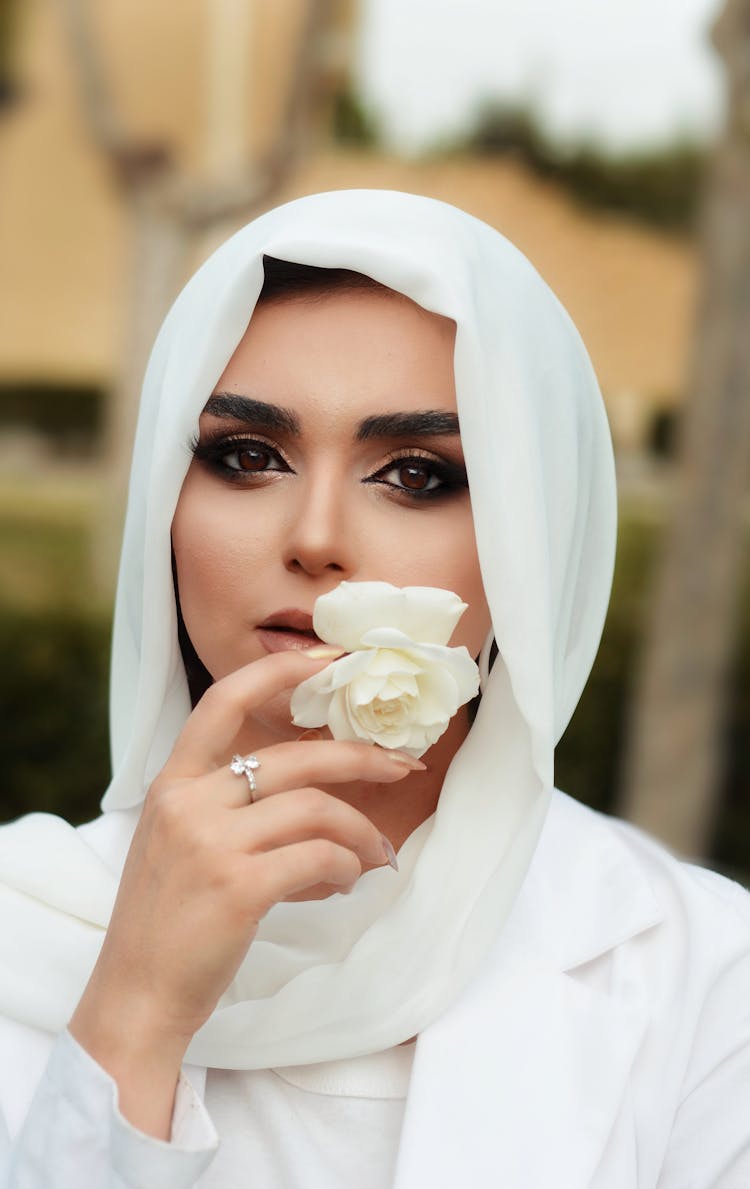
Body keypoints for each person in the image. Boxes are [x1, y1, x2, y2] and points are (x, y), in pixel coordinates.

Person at [0, 188, 748, 1188]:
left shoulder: (702, 977)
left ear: (532, 531)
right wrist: (132, 1009)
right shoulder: (26, 930)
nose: (314, 539)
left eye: (416, 474)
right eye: (247, 457)